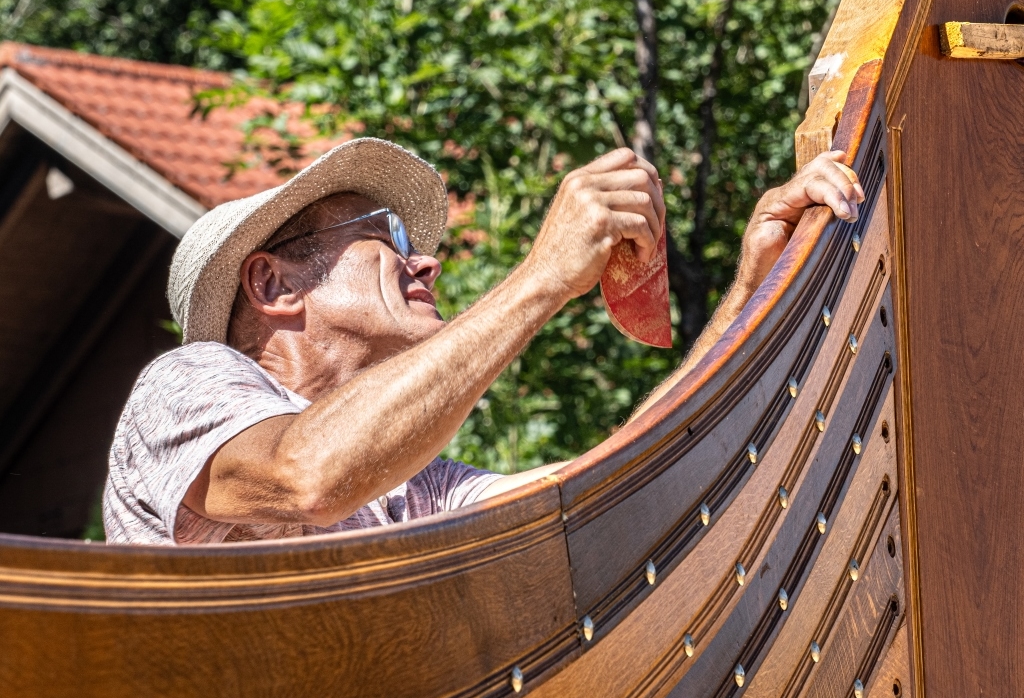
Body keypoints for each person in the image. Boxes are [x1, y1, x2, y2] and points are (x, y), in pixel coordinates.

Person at [103, 138, 863, 545]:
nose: (426, 262)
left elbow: (619, 486)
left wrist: (753, 291)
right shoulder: (183, 385)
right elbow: (308, 476)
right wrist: (542, 276)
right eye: (388, 237)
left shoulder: (415, 488)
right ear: (273, 284)